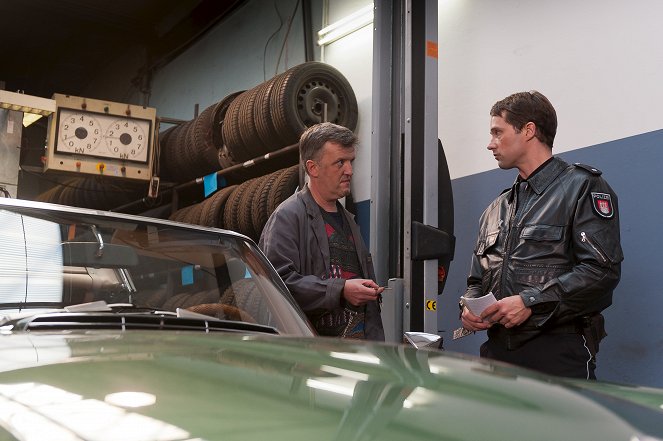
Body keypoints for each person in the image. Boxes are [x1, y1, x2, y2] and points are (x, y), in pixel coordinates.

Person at [460, 91, 623, 379]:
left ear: (529, 130)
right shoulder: (496, 208)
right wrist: (469, 307)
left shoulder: (582, 187)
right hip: (497, 353)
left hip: (558, 351)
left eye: (498, 132)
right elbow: (476, 280)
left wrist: (530, 301)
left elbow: (601, 271)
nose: (490, 144)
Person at [259, 122, 385, 340]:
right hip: (312, 358)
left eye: (351, 161)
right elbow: (276, 284)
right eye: (340, 162)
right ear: (313, 168)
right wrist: (340, 290)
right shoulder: (288, 217)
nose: (349, 170)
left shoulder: (348, 220)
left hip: (359, 357)